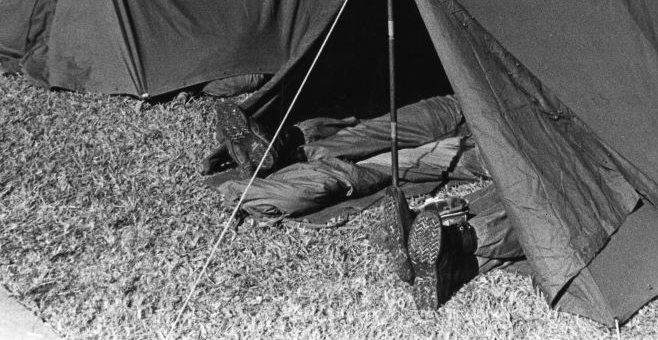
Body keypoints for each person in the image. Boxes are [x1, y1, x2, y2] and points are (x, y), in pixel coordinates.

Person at [211, 97, 525, 311]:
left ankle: (447, 242)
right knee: (380, 133)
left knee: (380, 162)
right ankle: (282, 147)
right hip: (474, 102)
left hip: (503, 143)